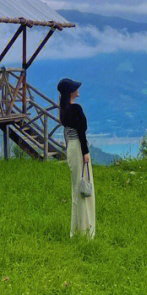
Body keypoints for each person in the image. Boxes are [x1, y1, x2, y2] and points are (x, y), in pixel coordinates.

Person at [58, 77, 94, 238]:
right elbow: (81, 132)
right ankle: (86, 230)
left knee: (75, 188)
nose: (78, 90)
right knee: (84, 186)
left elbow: (69, 133)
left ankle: (76, 229)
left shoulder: (64, 109)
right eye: (75, 88)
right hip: (79, 147)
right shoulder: (76, 109)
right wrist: (85, 152)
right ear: (71, 92)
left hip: (71, 148)